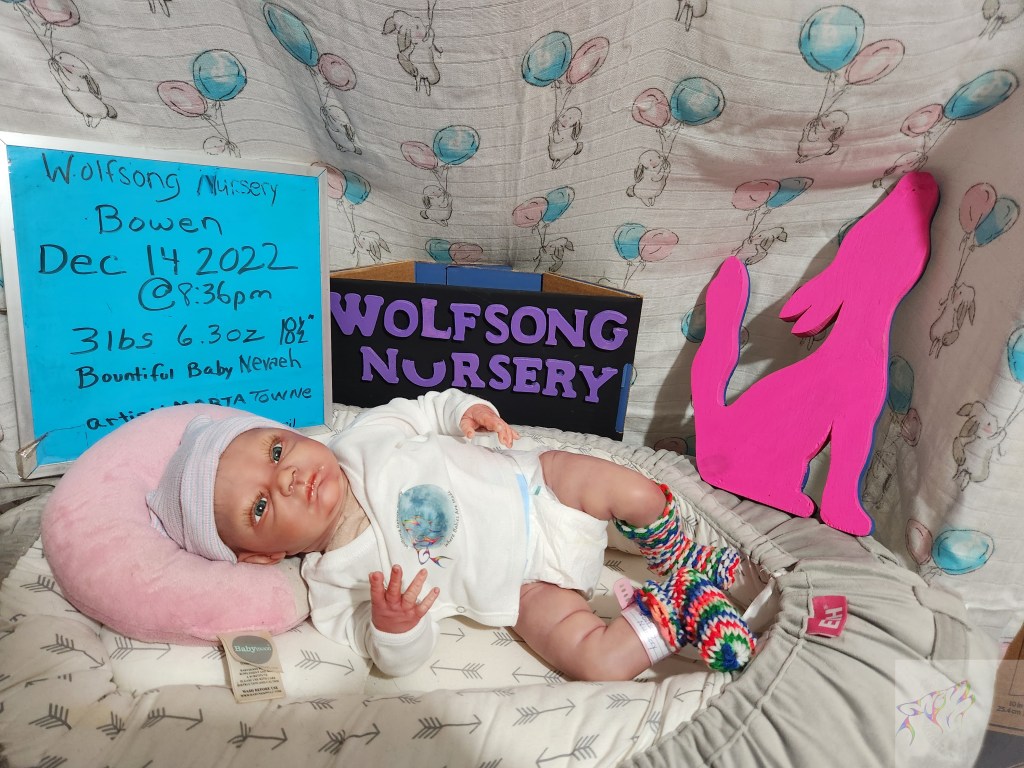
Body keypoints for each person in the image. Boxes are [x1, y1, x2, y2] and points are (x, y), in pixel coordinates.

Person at [147, 388, 755, 680]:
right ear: (263, 556)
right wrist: (396, 628)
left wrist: (462, 411)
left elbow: (424, 408)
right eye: (258, 506)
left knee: (638, 493)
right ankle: (676, 610)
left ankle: (675, 557)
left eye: (277, 450)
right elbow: (393, 660)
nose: (286, 479)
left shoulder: (360, 439)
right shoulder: (333, 587)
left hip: (539, 486)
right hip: (523, 589)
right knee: (595, 662)